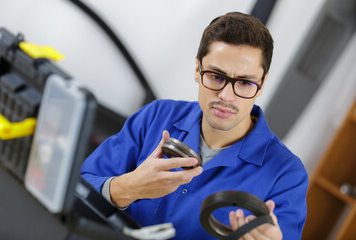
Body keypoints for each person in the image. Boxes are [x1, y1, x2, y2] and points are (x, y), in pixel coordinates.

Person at [81, 11, 308, 240]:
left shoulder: (286, 175)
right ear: (197, 70)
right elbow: (80, 183)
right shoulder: (157, 116)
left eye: (245, 82)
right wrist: (127, 187)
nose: (226, 96)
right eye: (216, 76)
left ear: (262, 84)